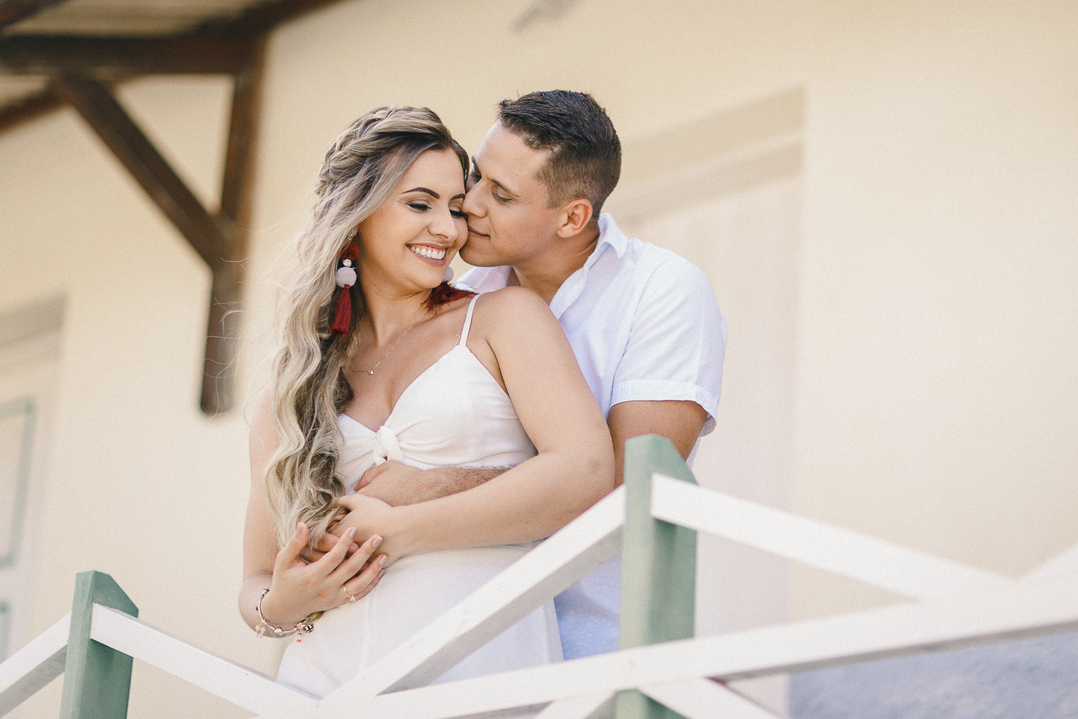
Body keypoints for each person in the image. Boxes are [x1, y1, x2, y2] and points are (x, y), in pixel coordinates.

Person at [239, 106, 613, 698]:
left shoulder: (502, 319)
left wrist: (401, 529)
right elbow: (258, 578)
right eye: (420, 204)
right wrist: (282, 604)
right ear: (355, 217)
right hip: (321, 686)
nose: (448, 228)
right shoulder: (293, 388)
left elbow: (586, 471)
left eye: (456, 208)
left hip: (477, 674)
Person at [356, 90, 727, 659]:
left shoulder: (662, 291)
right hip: (449, 637)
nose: (469, 204)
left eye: (500, 195)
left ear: (573, 216)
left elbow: (619, 486)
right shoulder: (459, 293)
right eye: (476, 177)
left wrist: (427, 487)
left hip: (592, 649)